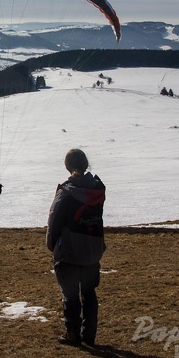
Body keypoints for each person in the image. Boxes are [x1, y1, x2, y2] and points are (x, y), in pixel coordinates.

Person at [46, 148, 106, 347]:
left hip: (69, 250)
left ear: (67, 166)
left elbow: (54, 221)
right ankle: (89, 334)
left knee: (70, 294)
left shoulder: (67, 191)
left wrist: (52, 245)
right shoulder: (96, 189)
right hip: (92, 248)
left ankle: (73, 334)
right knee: (89, 292)